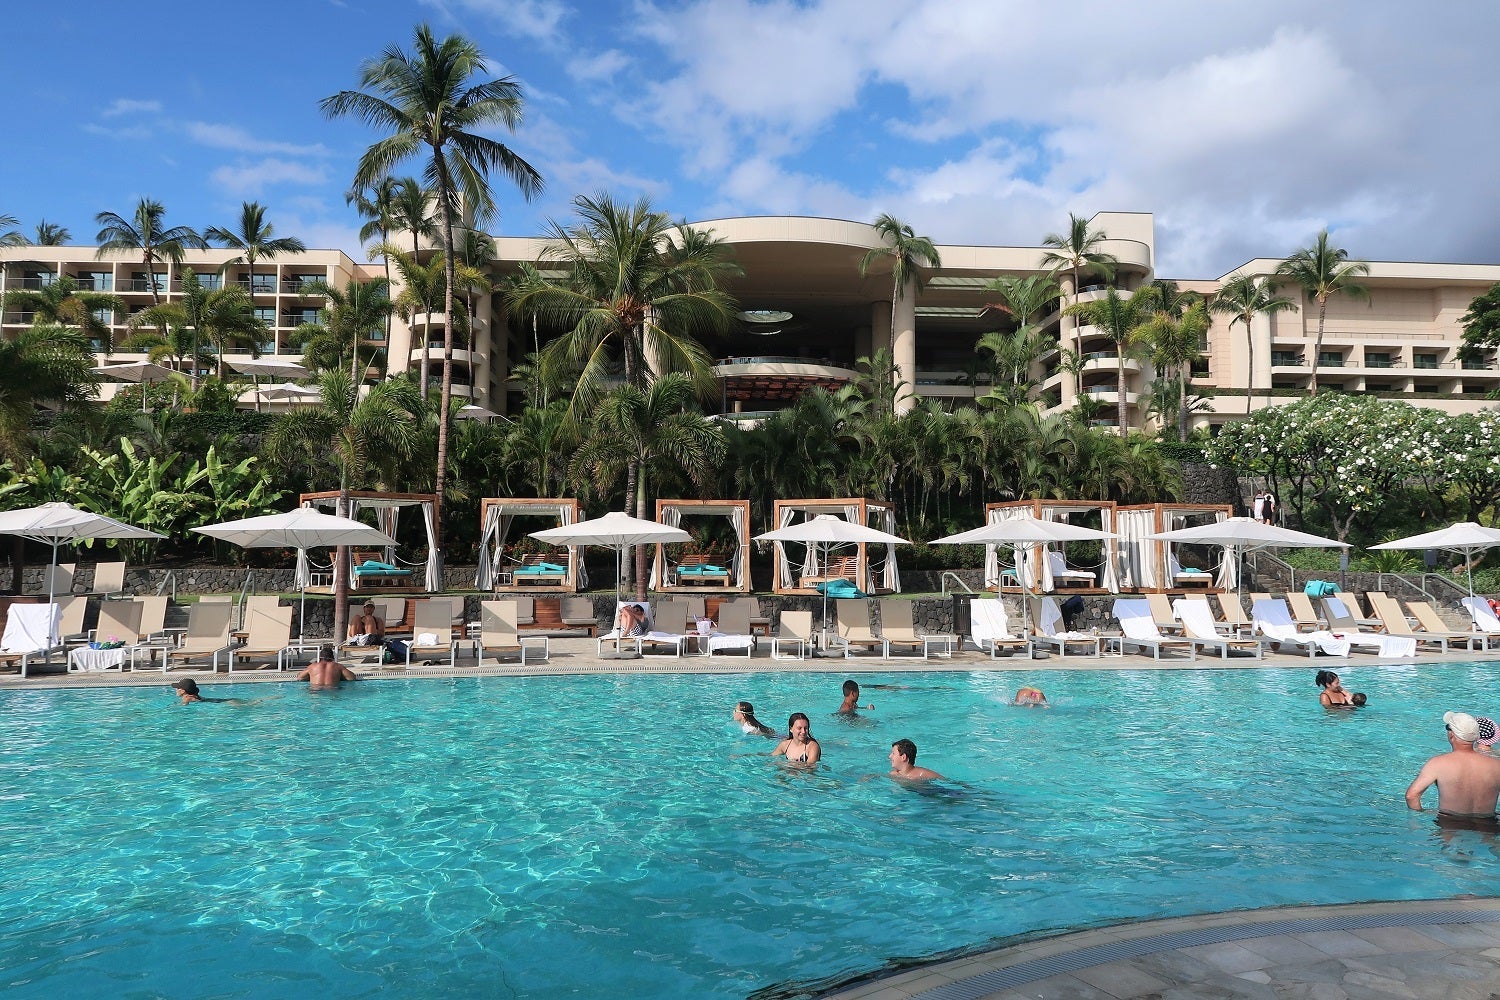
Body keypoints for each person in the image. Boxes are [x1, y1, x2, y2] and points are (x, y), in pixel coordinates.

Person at [1405, 711, 1500, 829]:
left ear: (1451, 734)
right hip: (1488, 824)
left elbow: (1411, 795)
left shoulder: (1437, 763)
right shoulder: (1496, 765)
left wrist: (1419, 816)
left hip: (1450, 823)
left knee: (1449, 846)